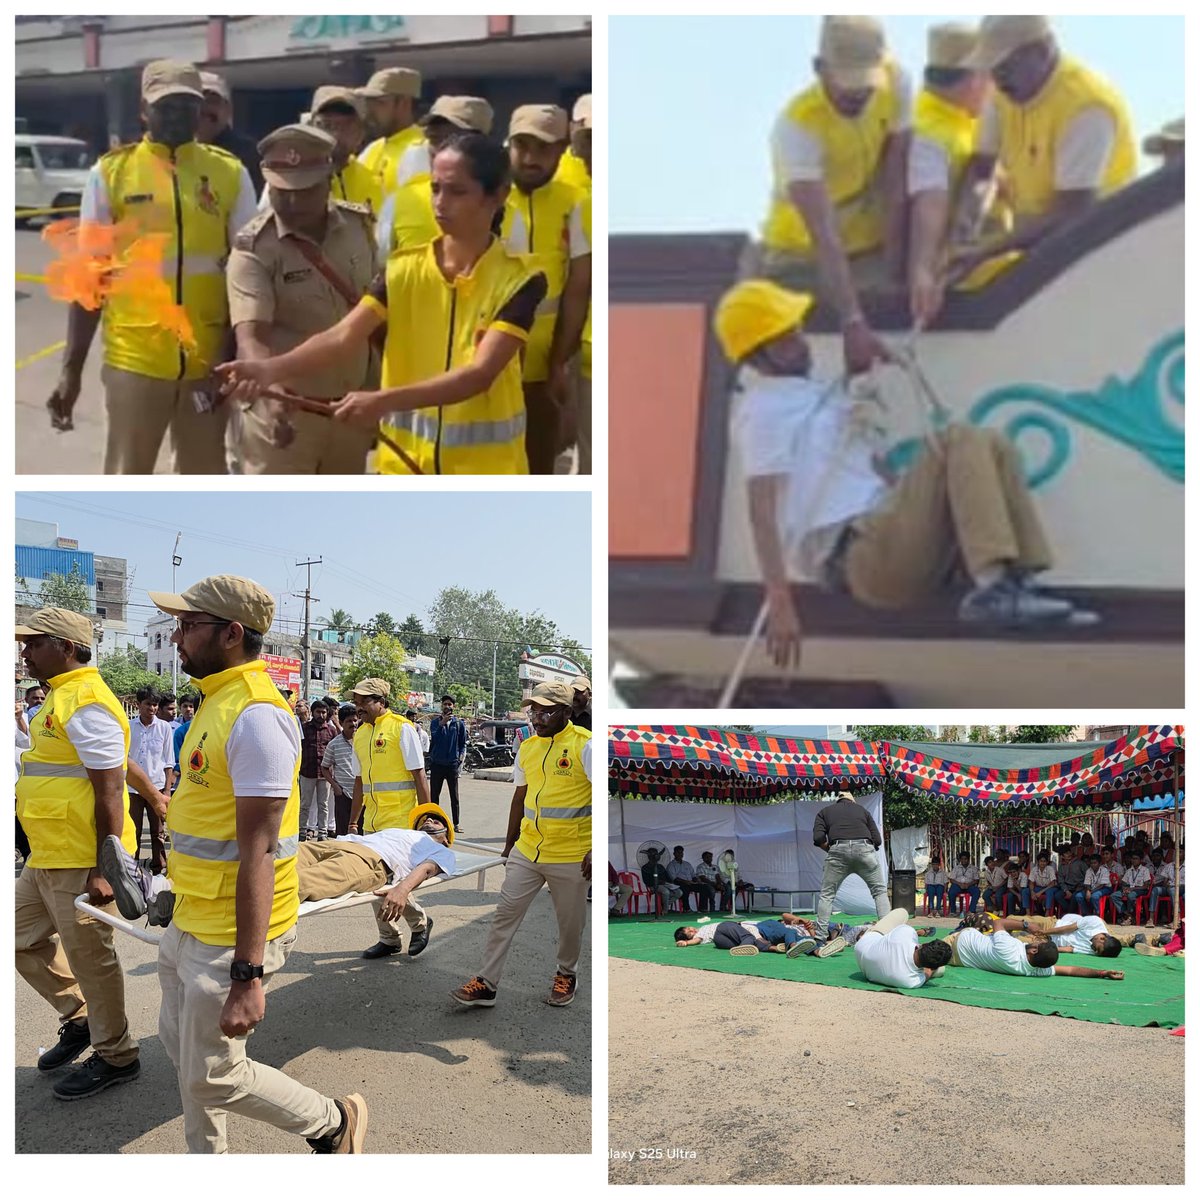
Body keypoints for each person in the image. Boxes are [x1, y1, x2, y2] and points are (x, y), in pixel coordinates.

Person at [717, 279, 1098, 668]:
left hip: (888, 537)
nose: (799, 343)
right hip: (860, 555)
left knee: (993, 443)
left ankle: (1021, 579)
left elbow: (872, 472)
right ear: (756, 359)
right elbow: (761, 514)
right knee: (958, 438)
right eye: (783, 341)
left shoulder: (817, 396)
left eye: (795, 332)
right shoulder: (763, 412)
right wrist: (780, 603)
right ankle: (993, 589)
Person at [136, 575, 366, 1152]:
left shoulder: (257, 716)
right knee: (184, 1050)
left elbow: (259, 851)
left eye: (189, 626)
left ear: (232, 634)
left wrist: (248, 973)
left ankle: (333, 1122)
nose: (179, 637)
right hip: (191, 915)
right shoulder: (218, 701)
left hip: (228, 936)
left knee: (211, 1073)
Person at [216, 134, 545, 475]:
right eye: (435, 189)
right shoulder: (402, 269)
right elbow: (343, 336)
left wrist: (381, 401)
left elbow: (479, 375)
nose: (440, 204)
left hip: (484, 471)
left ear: (498, 195)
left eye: (457, 191)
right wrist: (268, 369)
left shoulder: (520, 281)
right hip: (402, 466)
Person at [49, 60, 258, 473]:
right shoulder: (111, 173)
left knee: (203, 482)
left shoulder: (229, 172)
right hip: (134, 362)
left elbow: (249, 270)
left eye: (189, 103)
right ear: (144, 110)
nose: (179, 113)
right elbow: (91, 277)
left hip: (208, 363)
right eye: (167, 104)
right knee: (128, 478)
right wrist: (70, 372)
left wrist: (238, 352)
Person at [15, 608, 142, 1101]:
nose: (24, 652)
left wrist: (104, 866)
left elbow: (110, 789)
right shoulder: (60, 698)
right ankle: (81, 1017)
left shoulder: (85, 700)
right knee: (18, 939)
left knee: (93, 959)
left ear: (66, 647)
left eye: (34, 643)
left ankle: (117, 1056)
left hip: (80, 858)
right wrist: (154, 796)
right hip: (46, 854)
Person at [752, 15, 909, 377]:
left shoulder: (896, 82)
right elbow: (824, 236)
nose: (858, 95)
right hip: (801, 254)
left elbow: (896, 183)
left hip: (867, 247)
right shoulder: (796, 128)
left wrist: (896, 270)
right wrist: (852, 320)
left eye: (865, 85)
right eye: (847, 84)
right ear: (819, 68)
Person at [943, 16, 1136, 306]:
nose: (997, 78)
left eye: (1006, 66)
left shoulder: (1087, 106)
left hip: (1097, 247)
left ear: (1043, 50)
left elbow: (1073, 211)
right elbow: (982, 170)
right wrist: (961, 233)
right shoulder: (1003, 94)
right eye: (992, 68)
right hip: (1036, 239)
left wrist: (985, 251)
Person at [224, 124, 378, 474]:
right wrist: (275, 395)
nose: (292, 201)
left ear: (328, 180)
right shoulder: (253, 249)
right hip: (283, 416)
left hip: (349, 412)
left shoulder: (360, 227)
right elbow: (252, 338)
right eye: (281, 191)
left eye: (305, 191)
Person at [451, 681, 591, 1008]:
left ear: (567, 712)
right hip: (527, 851)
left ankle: (566, 974)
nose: (538, 718)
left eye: (547, 711)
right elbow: (520, 797)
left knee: (570, 925)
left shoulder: (586, 746)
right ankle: (487, 983)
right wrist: (508, 845)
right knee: (504, 915)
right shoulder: (528, 748)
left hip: (571, 856)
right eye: (534, 710)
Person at [105, 802, 455, 925]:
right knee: (263, 859)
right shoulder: (401, 829)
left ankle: (173, 901)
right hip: (340, 845)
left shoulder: (439, 849)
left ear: (445, 833)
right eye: (424, 819)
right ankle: (160, 886)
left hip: (373, 865)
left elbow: (424, 870)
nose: (428, 822)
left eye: (436, 821)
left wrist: (401, 890)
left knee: (293, 887)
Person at [501, 104, 591, 474]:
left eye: (542, 149)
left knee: (539, 463)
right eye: (521, 146)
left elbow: (577, 287)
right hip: (489, 367)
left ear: (562, 150)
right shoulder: (486, 198)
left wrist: (558, 364)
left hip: (544, 372)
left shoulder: (577, 204)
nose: (530, 158)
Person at [907, 22, 1006, 326]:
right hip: (958, 266)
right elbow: (930, 204)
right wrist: (922, 272)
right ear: (976, 80)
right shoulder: (928, 134)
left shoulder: (966, 116)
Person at [346, 678, 433, 959]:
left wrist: (428, 818)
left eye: (363, 702)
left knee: (391, 882)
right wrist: (352, 821)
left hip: (399, 820)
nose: (358, 707)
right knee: (373, 881)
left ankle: (419, 923)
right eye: (356, 702)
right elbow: (359, 782)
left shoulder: (401, 729)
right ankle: (389, 938)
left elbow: (419, 776)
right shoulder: (359, 735)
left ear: (381, 701)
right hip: (371, 822)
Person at [376, 95, 495, 257]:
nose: (442, 149)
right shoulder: (399, 202)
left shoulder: (502, 204)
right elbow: (380, 264)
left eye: (454, 139)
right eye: (434, 138)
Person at [812, 790, 889, 943]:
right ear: (852, 801)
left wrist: (831, 849)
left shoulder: (824, 812)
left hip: (838, 850)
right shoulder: (863, 811)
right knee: (879, 892)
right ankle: (888, 935)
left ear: (838, 800)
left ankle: (820, 937)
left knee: (827, 895)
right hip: (865, 850)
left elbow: (818, 837)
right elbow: (877, 840)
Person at [941, 924, 1123, 980]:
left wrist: (1026, 925)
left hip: (956, 942)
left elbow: (1000, 922)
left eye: (1038, 942)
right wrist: (1101, 973)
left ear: (1034, 949)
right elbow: (1069, 970)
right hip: (961, 958)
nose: (1036, 940)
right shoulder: (1035, 970)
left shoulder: (1009, 948)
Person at [307, 87, 381, 215]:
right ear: (310, 129)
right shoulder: (291, 179)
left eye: (346, 126)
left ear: (361, 133)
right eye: (326, 125)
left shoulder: (373, 183)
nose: (335, 134)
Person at [357, 68, 425, 204]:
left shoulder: (422, 148)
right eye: (369, 103)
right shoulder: (373, 149)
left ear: (404, 103)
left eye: (380, 103)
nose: (370, 112)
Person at [126, 685, 173, 874]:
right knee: (132, 830)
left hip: (157, 787)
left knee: (158, 831)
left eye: (155, 705)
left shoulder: (164, 728)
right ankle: (132, 869)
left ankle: (158, 868)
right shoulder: (129, 727)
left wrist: (167, 791)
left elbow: (169, 761)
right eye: (148, 704)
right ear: (138, 705)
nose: (152, 709)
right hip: (132, 789)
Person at [197, 71, 263, 196]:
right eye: (197, 101)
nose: (203, 108)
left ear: (228, 110)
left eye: (212, 101)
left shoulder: (251, 154)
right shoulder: (176, 150)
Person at [854, 908, 955, 987]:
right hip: (865, 968)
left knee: (902, 913)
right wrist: (933, 968)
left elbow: (895, 933)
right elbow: (928, 974)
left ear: (922, 945)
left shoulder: (906, 932)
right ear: (930, 967)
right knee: (941, 970)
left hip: (864, 944)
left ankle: (869, 927)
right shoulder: (911, 982)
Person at [997, 914, 1128, 957]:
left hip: (1050, 940)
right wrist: (1044, 932)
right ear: (1102, 938)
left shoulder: (1095, 950)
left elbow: (1070, 949)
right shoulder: (1095, 922)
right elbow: (1067, 928)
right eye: (1098, 949)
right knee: (1013, 919)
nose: (1095, 951)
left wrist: (1044, 946)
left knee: (1020, 942)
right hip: (1053, 925)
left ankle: (994, 936)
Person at [427, 694, 468, 832]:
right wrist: (441, 724)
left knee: (454, 796)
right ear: (441, 706)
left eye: (450, 704)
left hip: (452, 765)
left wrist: (460, 757)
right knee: (434, 795)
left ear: (453, 707)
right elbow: (435, 739)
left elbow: (462, 743)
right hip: (437, 764)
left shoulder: (459, 724)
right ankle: (433, 821)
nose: (447, 706)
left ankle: (456, 823)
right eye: (445, 704)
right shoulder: (435, 723)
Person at [675, 919, 817, 958]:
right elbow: (697, 940)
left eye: (689, 927)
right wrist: (687, 942)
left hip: (723, 942)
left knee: (752, 941)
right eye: (689, 932)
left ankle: (774, 949)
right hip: (723, 929)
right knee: (748, 936)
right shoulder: (702, 932)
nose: (692, 930)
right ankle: (748, 945)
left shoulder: (702, 929)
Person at [299, 698, 336, 842]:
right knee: (305, 804)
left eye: (324, 712)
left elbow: (334, 752)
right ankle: (302, 832)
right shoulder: (304, 728)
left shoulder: (331, 730)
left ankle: (323, 834)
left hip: (325, 774)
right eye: (318, 712)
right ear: (312, 712)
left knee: (324, 805)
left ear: (327, 713)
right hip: (307, 771)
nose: (321, 715)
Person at [320, 703, 358, 836]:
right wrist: (335, 786)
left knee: (362, 832)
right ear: (341, 722)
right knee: (343, 832)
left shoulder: (363, 741)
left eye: (355, 720)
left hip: (363, 794)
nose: (353, 724)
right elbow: (324, 767)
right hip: (343, 795)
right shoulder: (334, 744)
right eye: (349, 721)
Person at [666, 846, 715, 913]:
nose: (680, 854)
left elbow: (693, 875)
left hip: (690, 883)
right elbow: (674, 878)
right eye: (678, 853)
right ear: (674, 854)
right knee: (685, 888)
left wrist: (697, 880)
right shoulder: (671, 865)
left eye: (681, 853)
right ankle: (687, 908)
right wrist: (685, 882)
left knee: (704, 887)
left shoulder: (687, 864)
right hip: (679, 883)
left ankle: (703, 908)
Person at [639, 846, 683, 915]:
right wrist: (657, 882)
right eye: (654, 854)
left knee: (679, 892)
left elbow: (667, 877)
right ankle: (665, 910)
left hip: (665, 884)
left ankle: (663, 904)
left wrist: (671, 883)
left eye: (656, 854)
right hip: (653, 886)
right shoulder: (645, 868)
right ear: (649, 856)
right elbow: (646, 881)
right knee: (666, 892)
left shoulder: (660, 866)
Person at [1111, 851, 1152, 924]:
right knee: (1114, 895)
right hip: (1129, 888)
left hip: (1140, 889)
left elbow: (1146, 886)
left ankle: (1130, 916)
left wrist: (1132, 889)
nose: (1134, 860)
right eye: (1132, 858)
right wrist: (1124, 889)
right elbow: (1123, 882)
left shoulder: (1145, 870)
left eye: (1136, 859)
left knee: (1131, 895)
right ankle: (1128, 914)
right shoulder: (1129, 870)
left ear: (1141, 860)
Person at [1029, 850, 1061, 916]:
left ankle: (1047, 912)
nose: (1042, 863)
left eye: (1044, 861)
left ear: (1047, 862)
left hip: (1051, 887)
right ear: (1038, 862)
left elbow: (1053, 883)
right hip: (1039, 887)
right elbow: (1031, 882)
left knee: (1049, 892)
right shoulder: (1034, 869)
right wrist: (1032, 892)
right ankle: (1028, 913)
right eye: (1041, 861)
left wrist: (1040, 892)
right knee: (1026, 891)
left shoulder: (1050, 868)